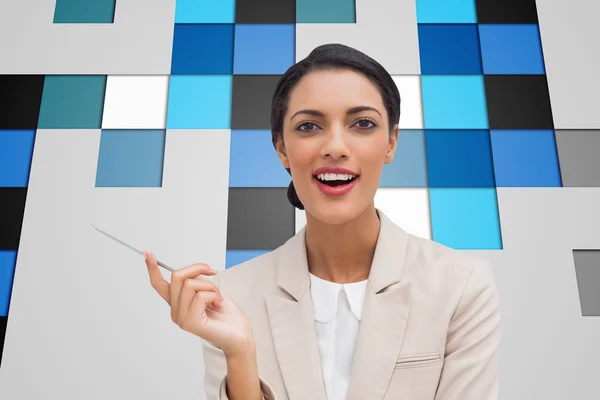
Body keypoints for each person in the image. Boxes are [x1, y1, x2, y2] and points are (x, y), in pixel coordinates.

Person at [143, 43, 501, 400]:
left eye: (362, 124)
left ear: (391, 142)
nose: (335, 147)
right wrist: (240, 355)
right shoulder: (229, 297)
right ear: (281, 147)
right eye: (309, 126)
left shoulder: (461, 286)